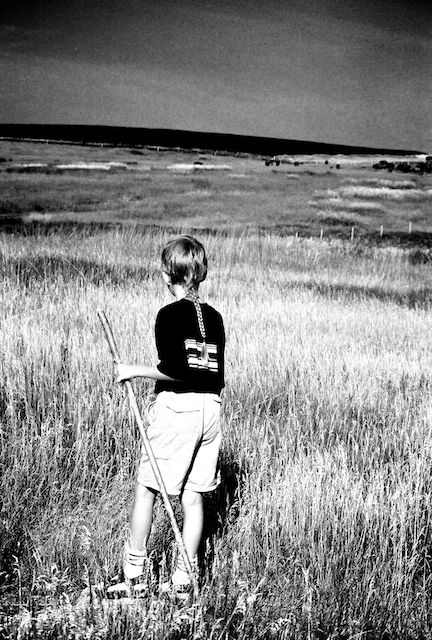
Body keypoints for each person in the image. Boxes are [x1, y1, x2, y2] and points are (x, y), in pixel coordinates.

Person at [107, 235, 225, 599]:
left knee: (147, 488)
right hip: (212, 410)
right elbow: (211, 374)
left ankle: (135, 577)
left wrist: (133, 370)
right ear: (200, 274)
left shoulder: (168, 315)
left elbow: (177, 370)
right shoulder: (215, 317)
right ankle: (183, 582)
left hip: (180, 408)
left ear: (165, 275)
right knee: (193, 498)